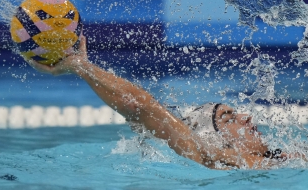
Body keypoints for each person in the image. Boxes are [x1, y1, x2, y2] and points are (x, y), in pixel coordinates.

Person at [27, 36, 293, 170]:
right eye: (227, 118)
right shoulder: (203, 155)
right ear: (210, 138)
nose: (246, 117)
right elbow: (140, 107)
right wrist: (81, 66)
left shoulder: (286, 156)